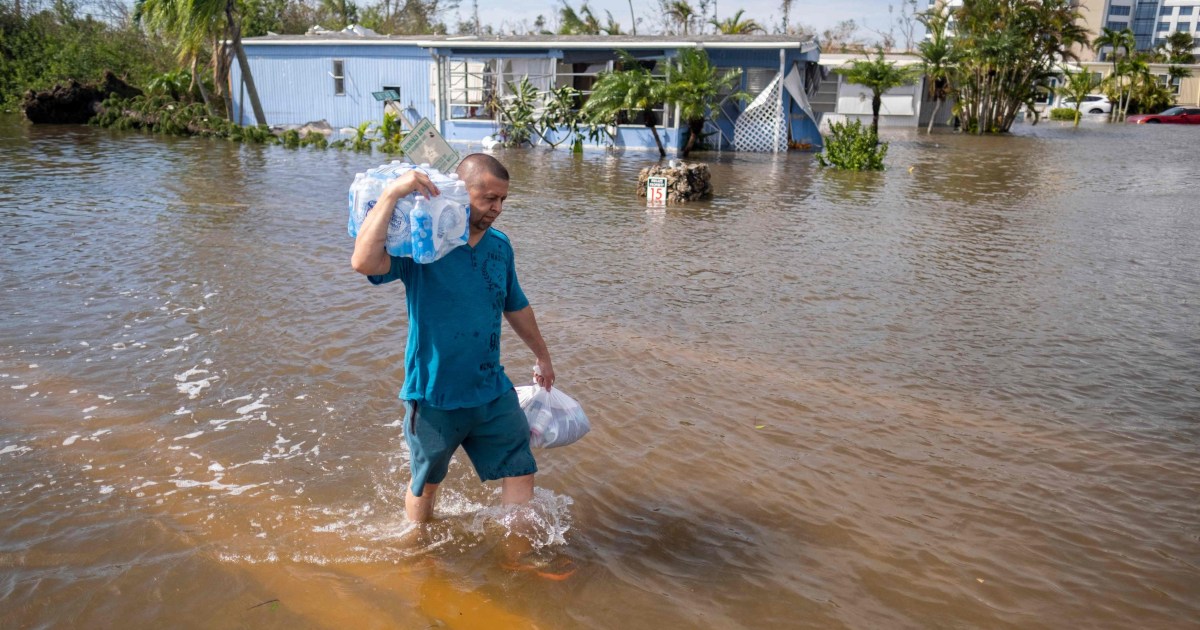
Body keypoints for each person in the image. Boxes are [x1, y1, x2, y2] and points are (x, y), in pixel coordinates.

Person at [351, 153, 555, 524]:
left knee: (521, 469)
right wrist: (392, 195)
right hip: (433, 394)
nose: (497, 208)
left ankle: (519, 560)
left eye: (503, 200)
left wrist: (542, 356)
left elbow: (516, 305)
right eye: (489, 198)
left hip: (491, 388)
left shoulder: (499, 246)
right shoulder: (424, 244)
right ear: (461, 193)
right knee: (427, 484)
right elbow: (364, 262)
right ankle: (419, 555)